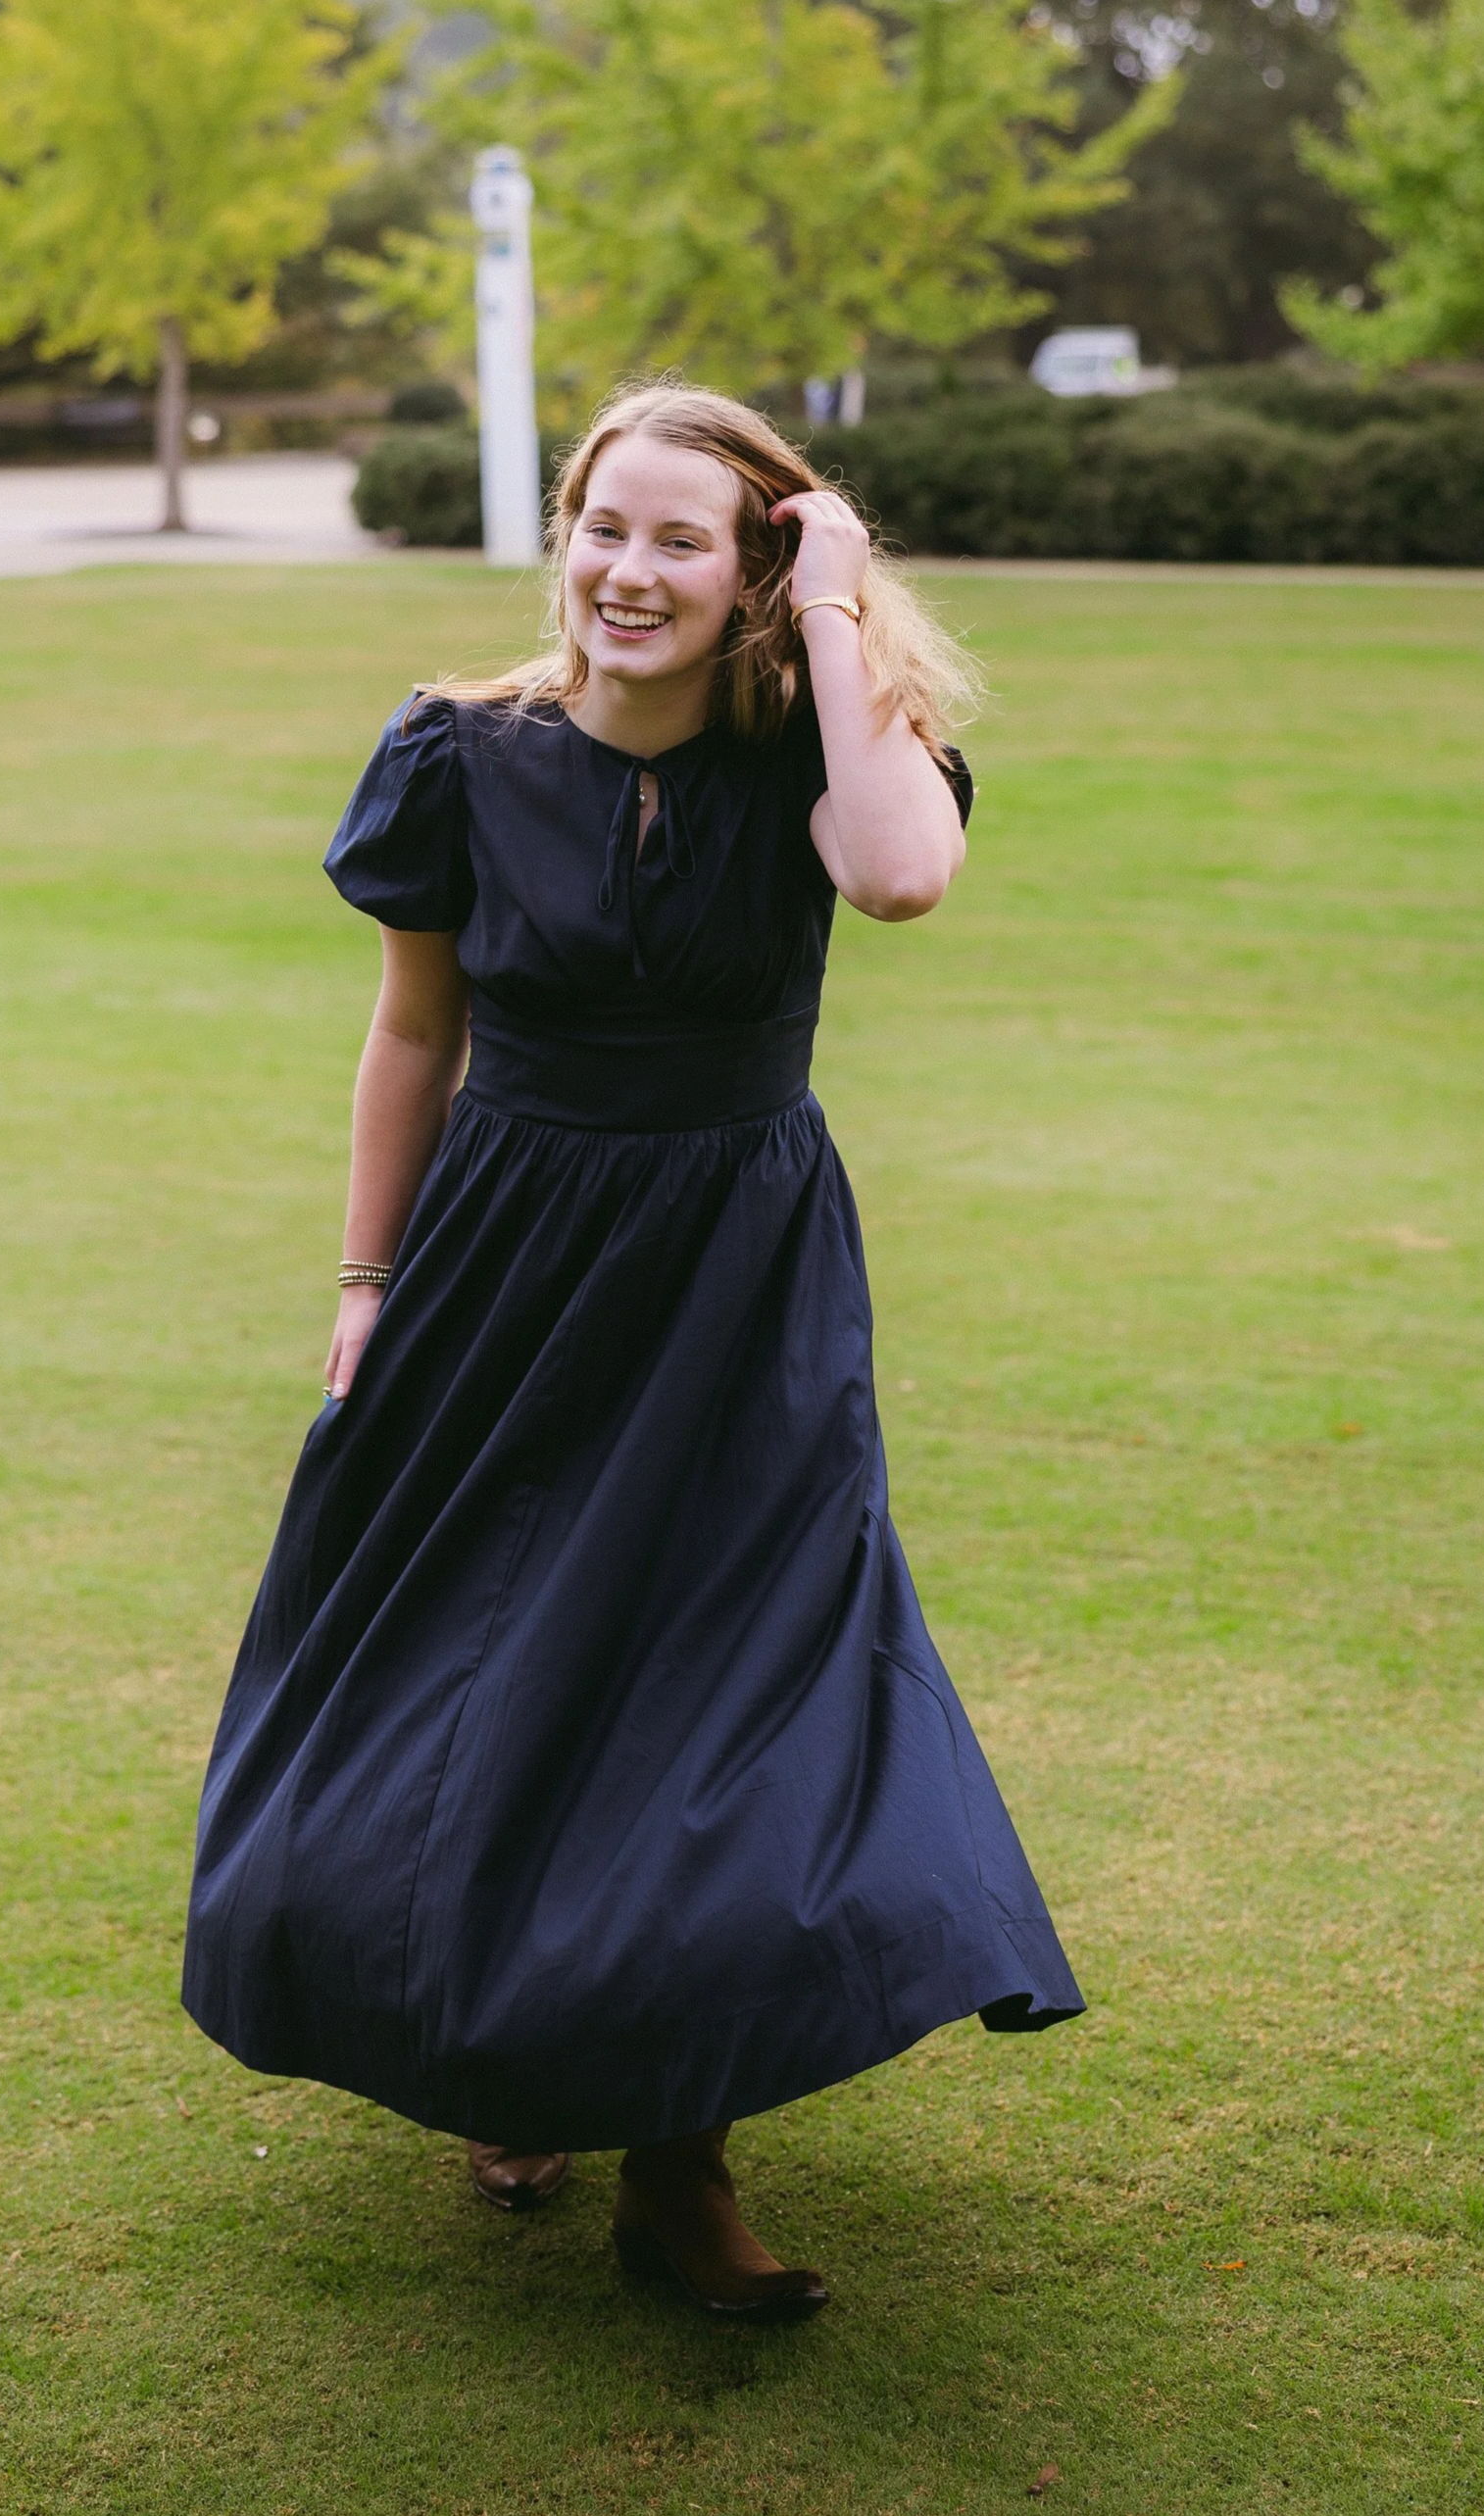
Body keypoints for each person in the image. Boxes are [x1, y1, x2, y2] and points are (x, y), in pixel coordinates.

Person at [182, 382, 1082, 2324]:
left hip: (736, 1269)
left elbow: (899, 874)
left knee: (731, 1672)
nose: (628, 570)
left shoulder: (824, 742)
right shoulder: (460, 750)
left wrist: (834, 610)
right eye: (605, 526)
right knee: (481, 1656)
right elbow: (412, 1031)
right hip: (501, 1262)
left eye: (685, 537)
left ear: (753, 557)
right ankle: (497, 2050)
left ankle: (680, 2163)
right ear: (562, 536)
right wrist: (362, 1282)